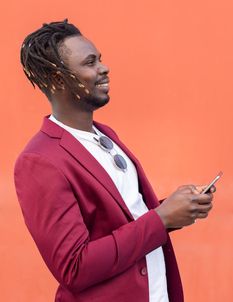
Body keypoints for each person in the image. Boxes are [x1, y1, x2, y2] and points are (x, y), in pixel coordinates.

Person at [14, 20, 215, 302]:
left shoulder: (106, 135)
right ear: (59, 80)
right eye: (90, 62)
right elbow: (74, 266)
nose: (104, 68)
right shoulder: (39, 160)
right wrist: (161, 218)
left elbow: (122, 222)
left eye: (101, 60)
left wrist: (176, 210)